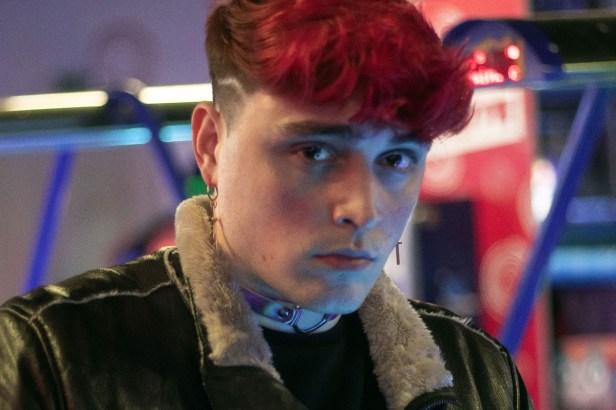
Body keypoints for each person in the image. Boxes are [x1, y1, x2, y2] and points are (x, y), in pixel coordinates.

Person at [0, 0, 534, 408]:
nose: (363, 209)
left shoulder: (479, 376)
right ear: (211, 146)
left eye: (396, 159)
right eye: (314, 151)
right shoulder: (50, 356)